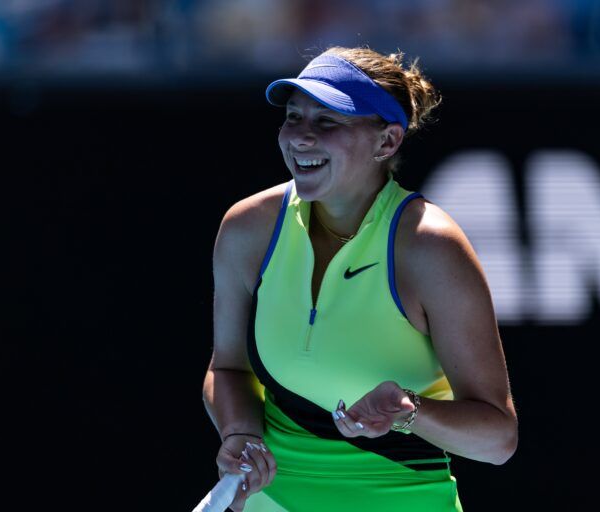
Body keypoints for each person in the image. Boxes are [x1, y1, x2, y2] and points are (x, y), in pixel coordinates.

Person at [202, 45, 518, 512]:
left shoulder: (432, 248)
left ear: (386, 142)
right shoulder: (248, 228)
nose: (300, 137)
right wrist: (240, 432)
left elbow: (497, 438)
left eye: (327, 121)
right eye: (293, 117)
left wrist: (409, 412)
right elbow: (228, 369)